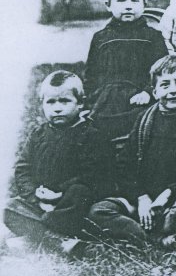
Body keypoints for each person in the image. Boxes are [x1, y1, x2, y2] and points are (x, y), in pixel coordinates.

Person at [88, 56, 176, 245]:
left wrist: (169, 194)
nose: (173, 90)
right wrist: (141, 198)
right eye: (165, 85)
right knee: (98, 211)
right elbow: (125, 164)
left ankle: (154, 232)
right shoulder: (144, 120)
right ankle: (154, 238)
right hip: (143, 200)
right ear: (155, 92)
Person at [4, 71, 111, 250]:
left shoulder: (90, 134)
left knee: (80, 192)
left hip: (71, 204)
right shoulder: (38, 134)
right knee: (9, 207)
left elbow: (92, 174)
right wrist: (35, 197)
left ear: (80, 103)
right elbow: (22, 168)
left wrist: (59, 194)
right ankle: (58, 241)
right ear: (42, 104)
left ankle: (37, 236)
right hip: (40, 203)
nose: (57, 108)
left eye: (65, 101)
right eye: (51, 102)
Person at [85, 0, 168, 140]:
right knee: (94, 134)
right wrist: (90, 101)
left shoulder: (153, 36)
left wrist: (148, 92)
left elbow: (163, 70)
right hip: (107, 100)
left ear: (144, 4)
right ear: (108, 5)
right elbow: (91, 74)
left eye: (134, 0)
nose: (128, 6)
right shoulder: (100, 37)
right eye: (121, 0)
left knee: (144, 127)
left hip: (140, 99)